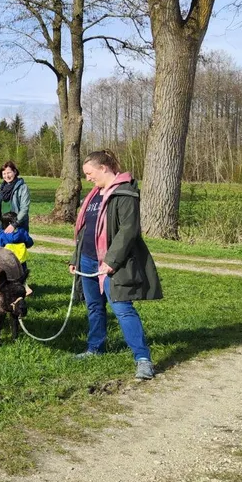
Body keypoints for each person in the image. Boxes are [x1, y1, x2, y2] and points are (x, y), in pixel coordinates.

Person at [69, 150, 162, 380]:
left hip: (113, 264)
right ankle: (95, 348)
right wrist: (75, 258)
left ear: (103, 168)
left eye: (90, 173)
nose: (88, 178)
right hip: (88, 261)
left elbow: (128, 231)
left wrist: (111, 261)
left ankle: (143, 359)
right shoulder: (93, 195)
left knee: (122, 309)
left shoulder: (125, 193)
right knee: (94, 307)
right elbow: (83, 230)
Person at [0, 211, 34, 295]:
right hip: (21, 259)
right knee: (22, 274)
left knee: (8, 274)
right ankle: (25, 288)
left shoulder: (2, 234)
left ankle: (10, 288)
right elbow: (30, 243)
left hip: (8, 259)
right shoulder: (22, 232)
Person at [0, 161, 30, 239]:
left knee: (16, 250)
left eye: (9, 173)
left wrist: (14, 225)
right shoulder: (1, 188)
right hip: (3, 226)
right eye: (4, 174)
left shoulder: (23, 187)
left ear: (14, 172)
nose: (6, 176)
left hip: (18, 227)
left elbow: (24, 208)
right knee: (2, 250)